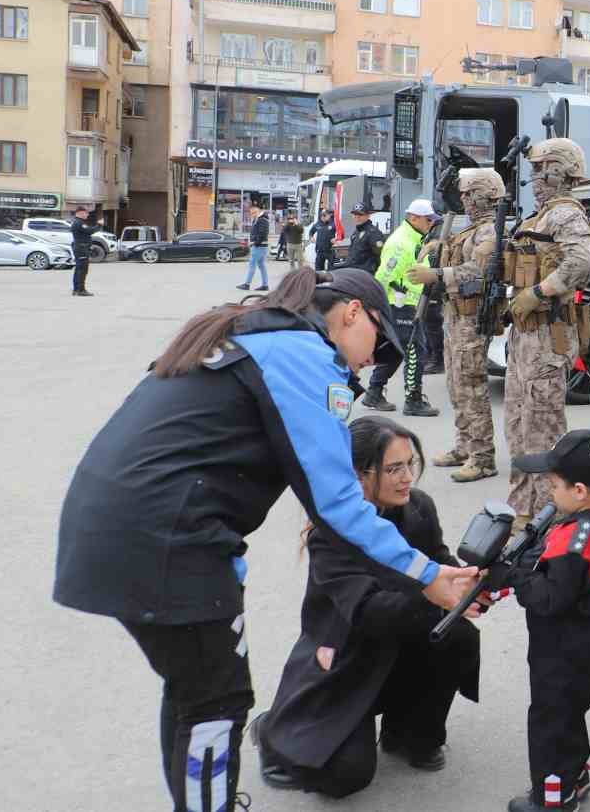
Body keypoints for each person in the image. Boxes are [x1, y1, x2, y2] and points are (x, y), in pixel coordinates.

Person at [53, 268, 480, 812]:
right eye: (378, 340)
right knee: (216, 703)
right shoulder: (300, 353)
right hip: (168, 540)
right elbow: (336, 502)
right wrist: (428, 575)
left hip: (123, 526)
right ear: (352, 313)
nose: (373, 361)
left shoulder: (248, 332)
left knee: (195, 690)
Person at [250, 416, 481, 798]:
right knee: (346, 777)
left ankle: (409, 735)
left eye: (411, 464)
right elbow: (368, 612)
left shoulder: (418, 507)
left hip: (400, 639)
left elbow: (440, 561)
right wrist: (434, 598)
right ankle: (272, 729)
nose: (408, 477)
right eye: (394, 468)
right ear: (358, 475)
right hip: (346, 656)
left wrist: (474, 583)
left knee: (457, 637)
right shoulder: (329, 533)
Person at [498, 429, 590, 812]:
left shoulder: (573, 540)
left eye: (554, 485)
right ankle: (576, 774)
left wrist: (515, 576)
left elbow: (549, 599)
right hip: (589, 640)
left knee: (550, 717)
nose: (549, 493)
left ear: (579, 491)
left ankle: (552, 797)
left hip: (561, 646)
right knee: (570, 710)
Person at [503, 139, 590, 523]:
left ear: (562, 171)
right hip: (526, 336)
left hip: (547, 336)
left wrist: (540, 291)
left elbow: (583, 259)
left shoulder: (564, 215)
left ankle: (548, 519)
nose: (536, 177)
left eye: (543, 169)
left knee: (542, 430)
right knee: (517, 427)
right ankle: (521, 511)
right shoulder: (539, 217)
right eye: (535, 169)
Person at [406, 168, 508, 483]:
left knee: (472, 387)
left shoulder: (489, 231)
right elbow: (458, 252)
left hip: (471, 319)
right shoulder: (470, 229)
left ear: (481, 195)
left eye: (467, 193)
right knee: (456, 386)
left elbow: (477, 270)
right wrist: (438, 247)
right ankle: (464, 446)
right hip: (455, 317)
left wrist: (436, 276)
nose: (462, 198)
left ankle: (482, 457)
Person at [363, 198, 440, 417]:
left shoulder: (414, 238)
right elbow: (384, 276)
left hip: (408, 303)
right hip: (401, 304)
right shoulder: (401, 242)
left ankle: (374, 392)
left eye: (432, 220)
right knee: (417, 350)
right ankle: (413, 399)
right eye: (428, 219)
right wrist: (387, 302)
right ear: (413, 218)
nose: (431, 223)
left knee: (397, 350)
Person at [238, 202, 270, 292]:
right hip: (261, 246)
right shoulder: (258, 219)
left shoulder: (262, 220)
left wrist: (254, 243)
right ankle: (265, 285)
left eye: (254, 212)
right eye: (251, 213)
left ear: (258, 210)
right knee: (262, 266)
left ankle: (247, 284)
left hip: (259, 247)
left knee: (252, 265)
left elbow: (262, 234)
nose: (252, 215)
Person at [69, 204, 99, 297]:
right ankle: (81, 290)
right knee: (82, 270)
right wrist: (99, 225)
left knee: (79, 269)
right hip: (81, 248)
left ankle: (76, 289)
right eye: (86, 213)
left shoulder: (78, 222)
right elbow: (90, 231)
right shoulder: (79, 222)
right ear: (80, 213)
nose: (87, 215)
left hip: (81, 247)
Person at [346, 203, 384, 274]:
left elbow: (381, 255)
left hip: (365, 275)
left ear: (368, 216)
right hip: (354, 273)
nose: (357, 217)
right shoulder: (356, 232)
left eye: (360, 214)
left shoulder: (373, 233)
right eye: (355, 214)